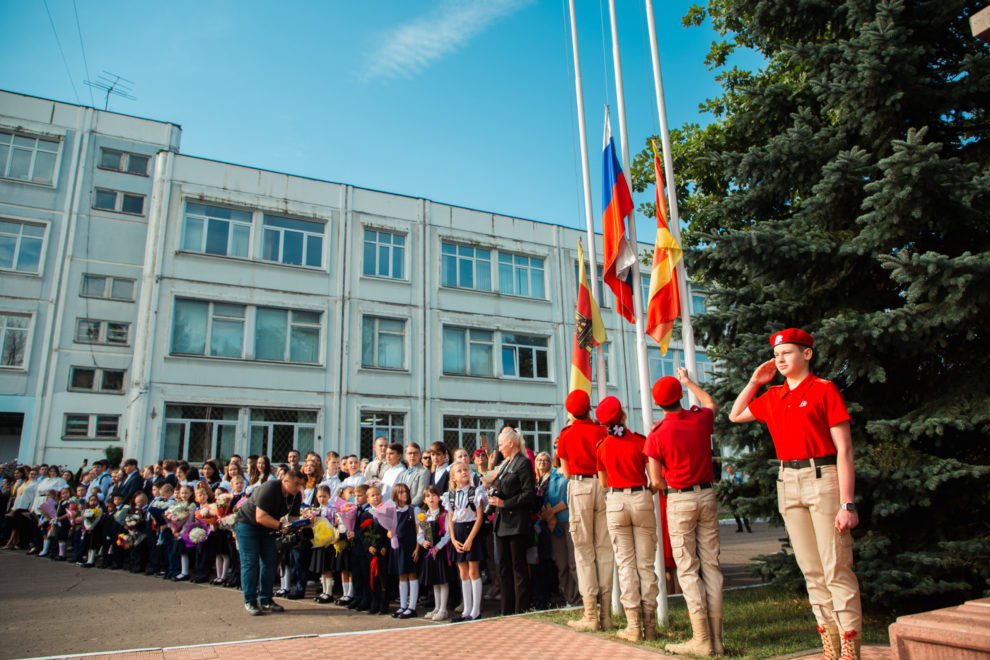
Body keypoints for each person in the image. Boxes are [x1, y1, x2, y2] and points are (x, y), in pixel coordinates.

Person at [729, 328, 862, 659]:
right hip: (787, 481)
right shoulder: (773, 396)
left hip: (824, 477)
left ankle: (850, 644)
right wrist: (755, 382)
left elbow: (844, 450)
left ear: (807, 354)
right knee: (811, 570)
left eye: (787, 352)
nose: (780, 358)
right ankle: (828, 641)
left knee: (835, 567)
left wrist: (847, 502)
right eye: (777, 354)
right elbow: (735, 415)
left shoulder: (824, 390)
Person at [645, 370, 724, 654]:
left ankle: (702, 639)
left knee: (688, 568)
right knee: (711, 565)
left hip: (680, 499)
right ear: (680, 397)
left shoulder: (656, 434)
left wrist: (671, 483)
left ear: (658, 403)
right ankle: (717, 638)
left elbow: (655, 481)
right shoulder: (700, 419)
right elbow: (711, 404)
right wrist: (689, 381)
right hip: (707, 494)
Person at [595, 396, 657, 643]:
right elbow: (654, 478)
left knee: (625, 564)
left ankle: (633, 625)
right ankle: (651, 626)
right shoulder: (640, 441)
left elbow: (602, 482)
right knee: (646, 564)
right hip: (640, 497)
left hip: (616, 501)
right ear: (623, 415)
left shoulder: (602, 447)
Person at [555, 390, 613, 631]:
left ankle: (591, 613)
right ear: (590, 408)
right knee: (604, 548)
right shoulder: (601, 430)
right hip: (603, 486)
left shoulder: (566, 433)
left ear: (570, 411)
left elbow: (565, 472)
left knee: (583, 551)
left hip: (579, 486)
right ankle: (607, 615)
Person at [234, 468, 305, 615]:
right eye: (296, 484)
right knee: (250, 562)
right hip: (248, 524)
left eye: (300, 485)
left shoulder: (295, 496)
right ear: (285, 481)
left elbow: (293, 519)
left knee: (270, 562)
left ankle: (266, 598)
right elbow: (260, 517)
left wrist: (296, 534)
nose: (298, 488)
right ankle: (250, 600)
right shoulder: (270, 488)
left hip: (268, 528)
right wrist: (281, 526)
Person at [489, 425, 535, 615]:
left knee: (519, 567)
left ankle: (521, 608)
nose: (499, 449)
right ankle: (505, 610)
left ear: (510, 443)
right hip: (501, 524)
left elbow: (529, 494)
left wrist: (505, 503)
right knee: (504, 568)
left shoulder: (522, 463)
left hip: (516, 523)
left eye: (501, 444)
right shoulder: (505, 464)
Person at [445, 461, 487, 621]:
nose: (464, 472)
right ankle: (466, 609)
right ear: (453, 477)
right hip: (458, 532)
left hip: (471, 532)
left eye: (465, 470)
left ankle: (476, 610)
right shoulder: (450, 496)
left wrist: (470, 539)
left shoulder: (475, 492)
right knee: (462, 571)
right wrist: (454, 540)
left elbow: (479, 517)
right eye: (460, 471)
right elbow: (450, 520)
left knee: (473, 570)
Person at [542, 455, 579, 606]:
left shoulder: (573, 473)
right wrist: (550, 517)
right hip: (555, 523)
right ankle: (569, 597)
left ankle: (581, 597)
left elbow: (569, 498)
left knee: (573, 562)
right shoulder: (553, 474)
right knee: (561, 563)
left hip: (570, 521)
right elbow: (548, 496)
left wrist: (551, 513)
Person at [387, 483, 421, 618]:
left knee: (412, 574)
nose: (405, 495)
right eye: (401, 492)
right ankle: (403, 605)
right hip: (398, 547)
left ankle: (412, 606)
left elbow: (421, 530)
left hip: (411, 546)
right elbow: (389, 529)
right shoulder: (392, 511)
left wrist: (418, 548)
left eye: (406, 492)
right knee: (401, 575)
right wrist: (389, 533)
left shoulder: (414, 510)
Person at [418, 485, 452, 621]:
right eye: (428, 496)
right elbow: (420, 534)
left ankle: (443, 608)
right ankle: (437, 607)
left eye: (433, 495)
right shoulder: (424, 516)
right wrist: (422, 542)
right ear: (424, 500)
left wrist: (438, 547)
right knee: (435, 581)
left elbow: (448, 534)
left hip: (441, 551)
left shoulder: (443, 514)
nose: (431, 498)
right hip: (429, 552)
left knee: (443, 580)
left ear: (439, 497)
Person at [723, 464, 752, 533]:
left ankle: (747, 527)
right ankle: (740, 527)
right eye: (728, 468)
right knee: (735, 512)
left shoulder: (737, 476)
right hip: (731, 495)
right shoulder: (727, 478)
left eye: (731, 468)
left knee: (742, 511)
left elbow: (740, 483)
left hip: (738, 494)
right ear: (727, 470)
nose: (730, 469)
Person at [401, 443, 430, 507]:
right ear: (405, 455)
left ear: (419, 455)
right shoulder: (403, 474)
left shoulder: (424, 472)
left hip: (415, 509)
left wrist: (409, 508)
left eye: (415, 453)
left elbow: (421, 495)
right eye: (410, 453)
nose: (412, 456)